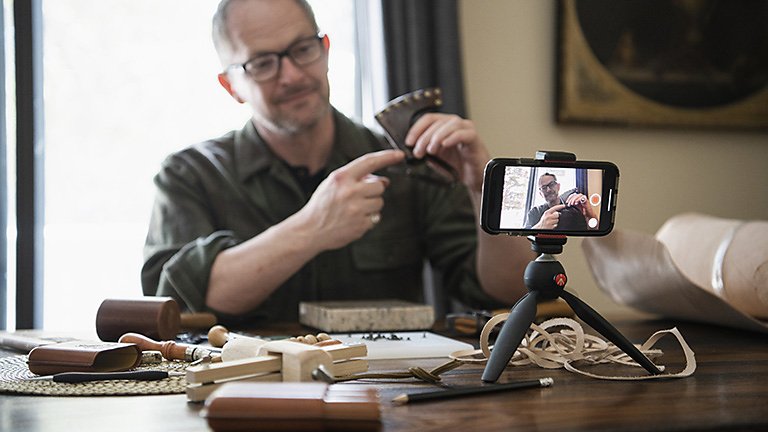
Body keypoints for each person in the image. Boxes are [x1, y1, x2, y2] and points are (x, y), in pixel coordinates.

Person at [141, 0, 533, 324]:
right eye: (262, 63)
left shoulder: (405, 164)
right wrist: (312, 228)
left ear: (325, 49)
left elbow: (506, 291)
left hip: (388, 393)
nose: (292, 75)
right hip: (240, 397)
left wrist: (485, 188)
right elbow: (175, 301)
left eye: (302, 49)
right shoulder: (189, 174)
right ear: (232, 87)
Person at [525, 173, 596, 231]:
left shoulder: (574, 208)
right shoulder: (534, 213)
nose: (548, 190)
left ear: (558, 186)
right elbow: (524, 240)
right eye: (544, 188)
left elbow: (593, 231)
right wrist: (540, 227)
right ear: (540, 194)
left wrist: (589, 214)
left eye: (552, 184)